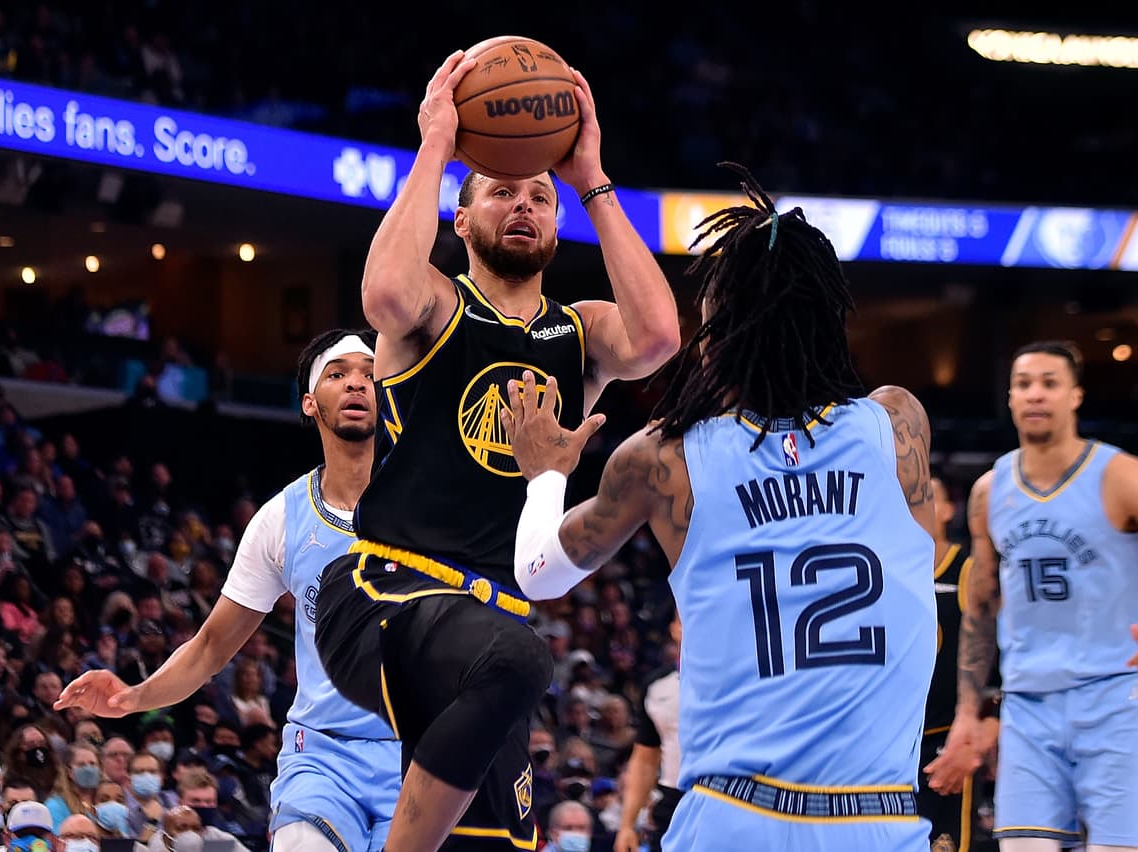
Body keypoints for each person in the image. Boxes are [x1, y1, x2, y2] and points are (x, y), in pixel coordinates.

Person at [501, 165, 937, 850]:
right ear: (829, 317)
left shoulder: (664, 456)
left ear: (718, 331)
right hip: (879, 817)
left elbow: (536, 572)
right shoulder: (898, 427)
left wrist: (545, 476)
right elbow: (921, 582)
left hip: (735, 816)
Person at [312, 49, 680, 852]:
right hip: (389, 595)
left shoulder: (578, 330)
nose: (524, 206)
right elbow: (382, 294)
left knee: (504, 839)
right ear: (461, 219)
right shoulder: (436, 305)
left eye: (540, 198)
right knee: (521, 658)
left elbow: (658, 336)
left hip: (486, 628)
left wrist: (591, 178)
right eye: (503, 193)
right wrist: (437, 146)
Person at [55, 330, 401, 852]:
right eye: (338, 374)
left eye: (369, 374)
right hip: (324, 757)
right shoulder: (281, 519)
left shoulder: (429, 508)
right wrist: (131, 697)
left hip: (420, 755)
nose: (357, 382)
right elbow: (212, 648)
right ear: (310, 402)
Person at [926, 340, 1138, 851]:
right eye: (1024, 384)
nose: (1036, 395)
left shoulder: (1125, 478)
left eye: (1050, 383)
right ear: (1009, 397)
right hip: (1029, 706)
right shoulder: (990, 491)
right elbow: (981, 610)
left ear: (1075, 396)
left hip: (1114, 698)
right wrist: (966, 713)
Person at [918, 476, 999, 852]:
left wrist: (980, 737)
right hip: (886, 747)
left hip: (946, 745)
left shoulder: (969, 571)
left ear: (950, 510)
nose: (916, 503)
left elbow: (998, 666)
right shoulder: (880, 571)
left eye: (929, 497)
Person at [614, 614, 682, 852]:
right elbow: (645, 759)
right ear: (674, 629)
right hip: (674, 802)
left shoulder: (742, 679)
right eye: (683, 618)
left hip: (729, 799)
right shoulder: (657, 687)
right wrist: (627, 825)